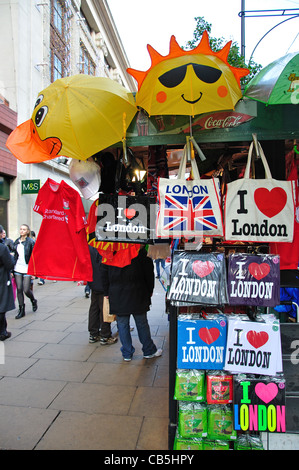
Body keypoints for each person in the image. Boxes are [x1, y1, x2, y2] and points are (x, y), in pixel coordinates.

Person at [103, 246, 162, 361]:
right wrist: (150, 290)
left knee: (122, 324)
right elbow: (149, 273)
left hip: (117, 292)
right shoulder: (139, 251)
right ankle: (148, 350)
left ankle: (127, 353)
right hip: (137, 291)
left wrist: (106, 291)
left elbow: (104, 272)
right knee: (142, 323)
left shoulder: (111, 250)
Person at [87, 245, 117, 345]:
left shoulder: (89, 246)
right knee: (104, 309)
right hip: (103, 283)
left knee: (94, 308)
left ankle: (93, 333)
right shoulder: (104, 246)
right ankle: (105, 335)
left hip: (93, 281)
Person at [13, 224, 37, 319]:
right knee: (19, 289)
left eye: (24, 229)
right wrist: (12, 269)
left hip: (27, 268)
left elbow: (34, 256)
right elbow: (15, 256)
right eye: (21, 229)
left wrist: (34, 272)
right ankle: (21, 309)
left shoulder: (31, 242)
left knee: (26, 289)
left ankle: (33, 300)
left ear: (27, 231)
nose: (22, 231)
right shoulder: (16, 242)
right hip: (17, 268)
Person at [0, 225, 16, 340]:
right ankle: (2, 332)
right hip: (1, 279)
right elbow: (10, 264)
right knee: (2, 305)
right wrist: (13, 257)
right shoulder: (2, 247)